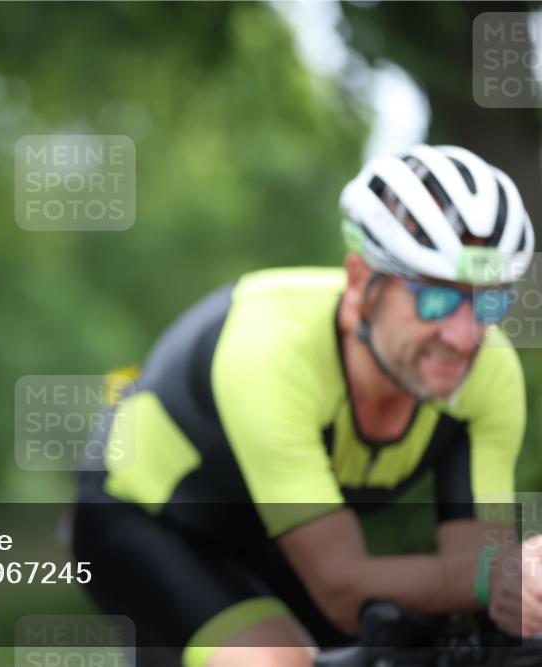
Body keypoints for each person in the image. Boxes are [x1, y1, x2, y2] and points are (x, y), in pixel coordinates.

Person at [73, 144, 542, 667]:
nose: (464, 336)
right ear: (361, 283)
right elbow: (342, 588)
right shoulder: (270, 352)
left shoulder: (489, 370)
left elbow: (479, 570)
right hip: (149, 522)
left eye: (490, 301)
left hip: (282, 543)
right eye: (437, 299)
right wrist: (495, 574)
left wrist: (522, 584)